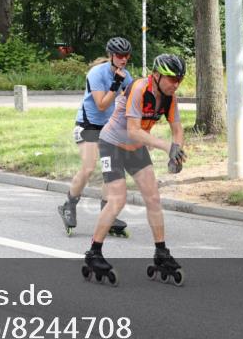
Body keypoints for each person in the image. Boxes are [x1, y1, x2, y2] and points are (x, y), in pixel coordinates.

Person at [81, 54, 188, 286]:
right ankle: (94, 253)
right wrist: (166, 147)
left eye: (179, 79)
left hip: (136, 148)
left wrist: (176, 153)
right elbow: (133, 131)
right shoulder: (140, 89)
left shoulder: (170, 98)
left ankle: (161, 252)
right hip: (112, 145)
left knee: (153, 198)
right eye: (171, 79)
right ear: (157, 75)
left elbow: (177, 129)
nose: (176, 84)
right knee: (117, 200)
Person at [58, 37, 134, 237]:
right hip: (88, 125)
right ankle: (69, 204)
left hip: (109, 127)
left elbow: (130, 102)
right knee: (89, 167)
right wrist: (116, 83)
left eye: (126, 56)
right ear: (111, 56)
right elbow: (102, 105)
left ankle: (106, 212)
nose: (123, 59)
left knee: (111, 170)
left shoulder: (127, 76)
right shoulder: (96, 74)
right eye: (119, 55)